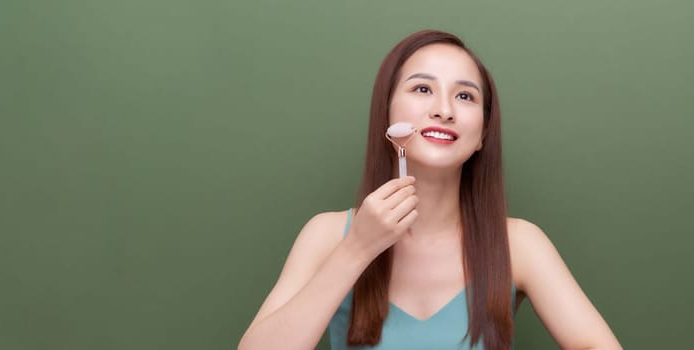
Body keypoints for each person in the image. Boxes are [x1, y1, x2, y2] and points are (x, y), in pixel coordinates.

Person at [239, 29, 621, 350]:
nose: (444, 109)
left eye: (465, 95)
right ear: (386, 113)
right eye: (422, 89)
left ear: (482, 135)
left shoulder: (520, 244)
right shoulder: (326, 236)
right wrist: (357, 249)